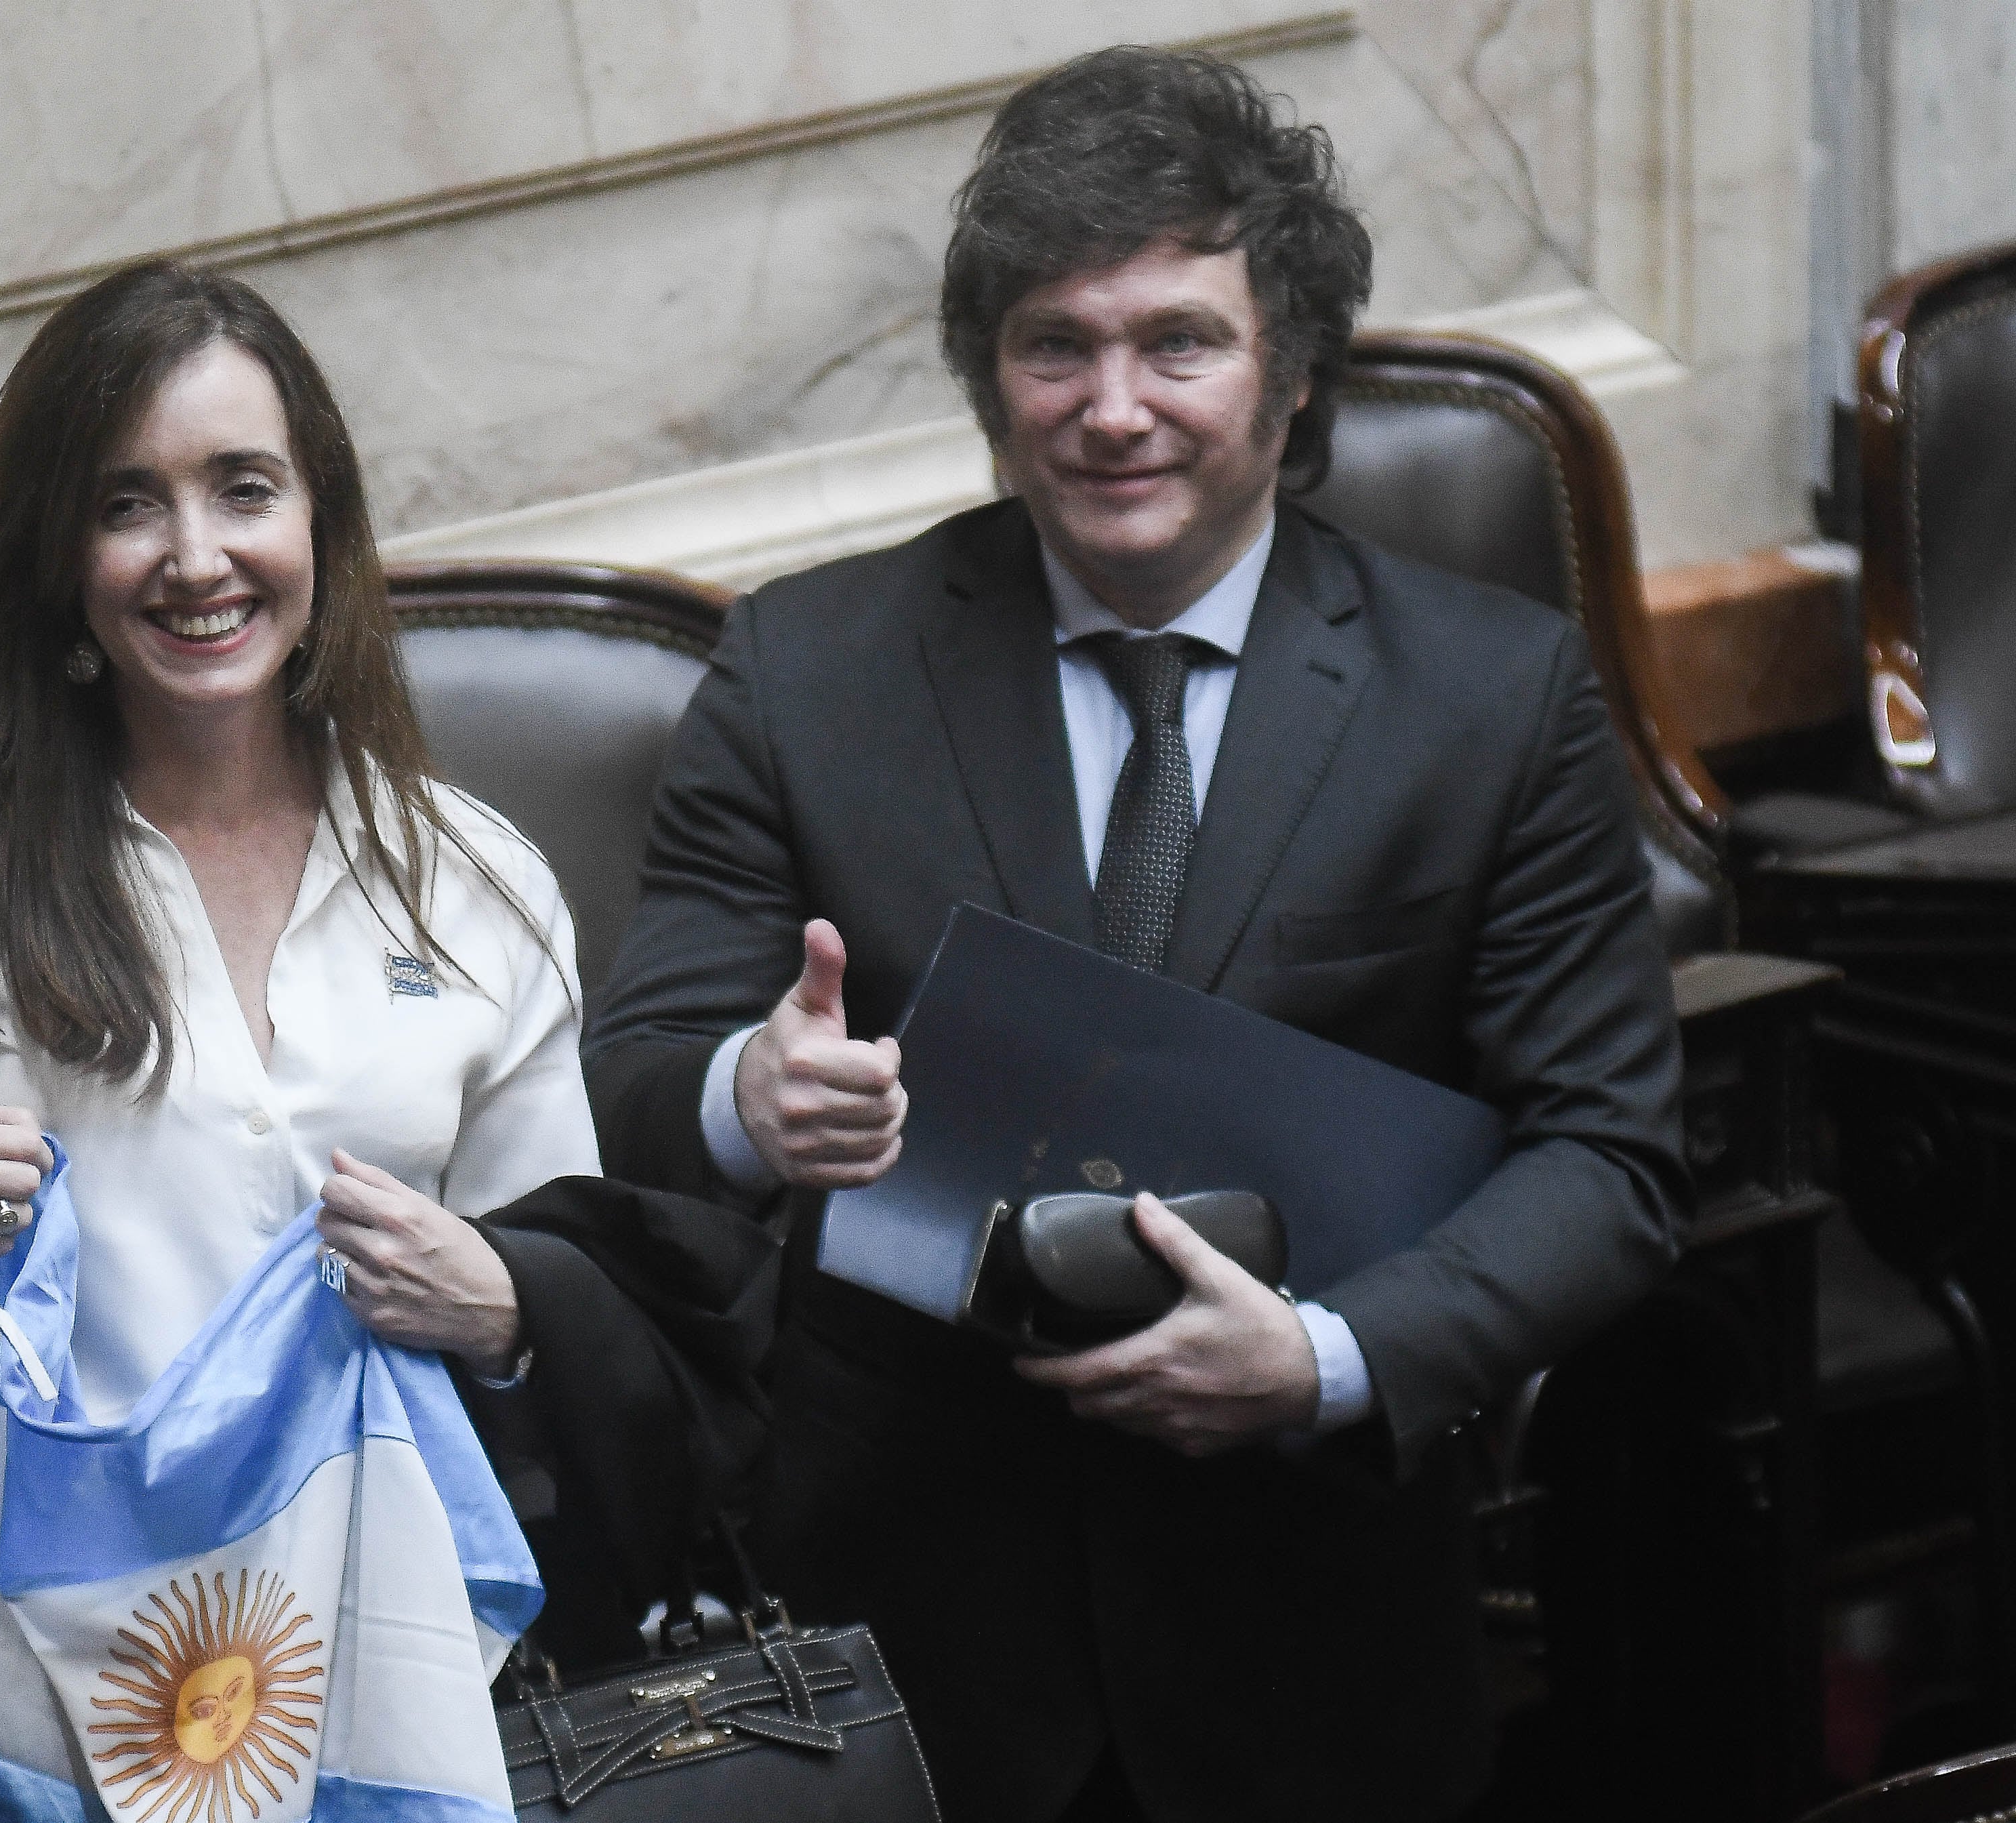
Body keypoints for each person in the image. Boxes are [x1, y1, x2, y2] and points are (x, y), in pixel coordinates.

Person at [582, 46, 1689, 1823]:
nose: (1113, 407)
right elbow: (639, 1077)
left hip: (1314, 1645)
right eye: (1054, 346)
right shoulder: (805, 674)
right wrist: (747, 1096)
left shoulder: (1489, 698)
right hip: (911, 1647)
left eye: (1178, 341)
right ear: (990, 378)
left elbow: (1613, 1156)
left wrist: (1330, 1361)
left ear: (1293, 366)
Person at [0, 262, 764, 1803]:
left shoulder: (475, 882)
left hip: (395, 1704)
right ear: (60, 559)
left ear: (321, 527)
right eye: (128, 505)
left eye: (243, 489)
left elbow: (567, 1294)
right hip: (26, 1711)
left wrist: (497, 1293)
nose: (196, 558)